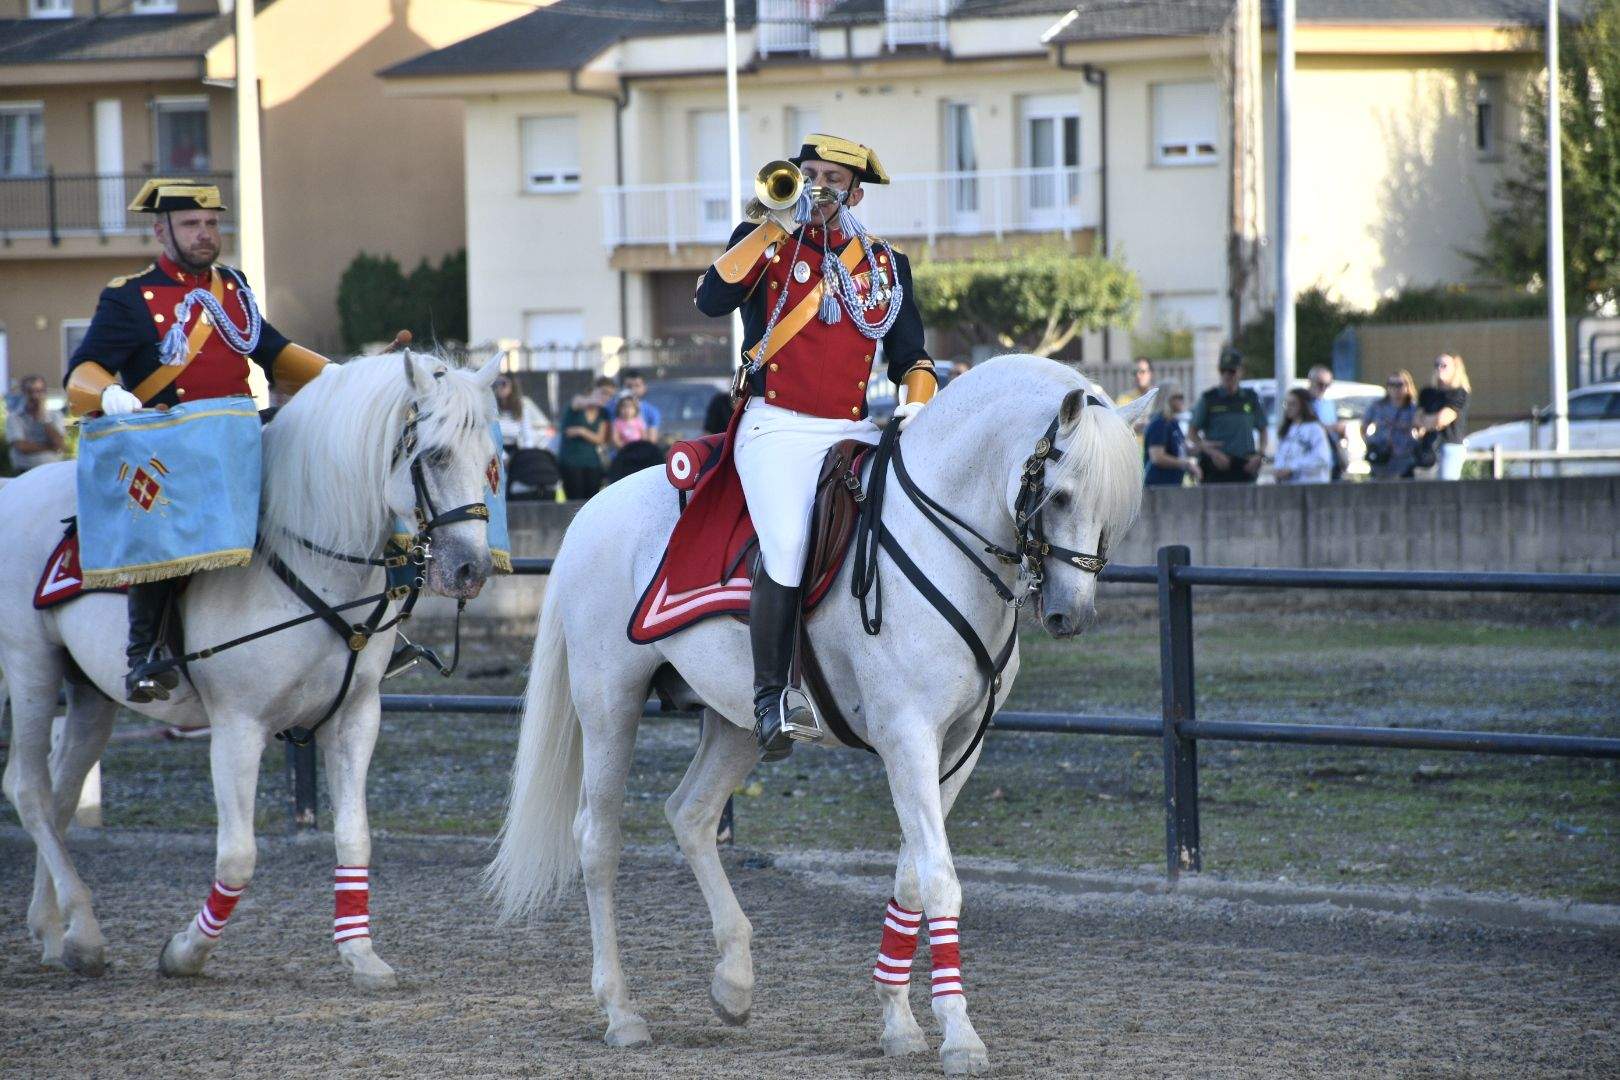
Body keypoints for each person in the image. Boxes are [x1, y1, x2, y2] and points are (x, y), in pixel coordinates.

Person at [695, 132, 934, 759]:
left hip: (852, 427)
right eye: (810, 174)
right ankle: (771, 697)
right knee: (789, 544)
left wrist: (918, 403)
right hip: (775, 424)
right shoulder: (767, 244)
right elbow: (709, 300)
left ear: (855, 193)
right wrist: (769, 227)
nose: (819, 186)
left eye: (833, 178)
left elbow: (912, 355)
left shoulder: (884, 266)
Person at [64, 178, 330, 701]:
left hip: (238, 437)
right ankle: (143, 655)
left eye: (211, 224)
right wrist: (108, 393)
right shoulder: (130, 296)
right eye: (191, 224)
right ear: (162, 230)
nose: (205, 234)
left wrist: (340, 377)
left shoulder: (232, 286)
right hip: (174, 446)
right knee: (161, 528)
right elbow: (83, 369)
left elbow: (272, 352)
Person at [1189, 347, 1266, 484]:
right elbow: (1192, 433)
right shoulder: (1209, 398)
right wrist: (1211, 451)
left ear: (1240, 371)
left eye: (1231, 371)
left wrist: (1260, 455)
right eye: (1223, 370)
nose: (1227, 375)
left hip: (1245, 465)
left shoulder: (1250, 398)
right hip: (1216, 466)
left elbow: (1263, 429)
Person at [1414, 353, 1471, 481]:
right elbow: (1417, 419)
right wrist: (1432, 422)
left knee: (1446, 487)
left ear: (1455, 369)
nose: (1439, 368)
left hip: (1450, 445)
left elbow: (1443, 419)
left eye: (1444, 365)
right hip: (1428, 447)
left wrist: (1427, 422)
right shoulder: (1427, 392)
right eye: (1437, 365)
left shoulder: (1459, 392)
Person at [1362, 369, 1419, 480]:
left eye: (1399, 385)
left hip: (1404, 456)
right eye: (1391, 384)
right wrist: (1369, 442)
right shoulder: (1377, 406)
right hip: (1381, 456)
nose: (1395, 389)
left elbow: (1420, 430)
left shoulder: (1413, 408)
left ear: (1408, 386)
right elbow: (1364, 427)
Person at [5, 374, 67, 472]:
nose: (35, 396)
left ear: (44, 393)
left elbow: (60, 444)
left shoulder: (55, 416)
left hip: (51, 469)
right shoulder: (14, 418)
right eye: (30, 392)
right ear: (23, 393)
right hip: (24, 470)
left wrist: (43, 419)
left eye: (38, 391)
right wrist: (50, 447)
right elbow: (22, 446)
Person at [1273, 387, 1334, 484]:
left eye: (1293, 404)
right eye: (1286, 404)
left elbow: (1322, 458)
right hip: (1288, 486)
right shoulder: (1286, 430)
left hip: (1311, 484)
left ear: (1303, 405)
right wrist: (1279, 469)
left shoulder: (1315, 428)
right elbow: (1280, 455)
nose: (1288, 408)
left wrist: (1293, 468)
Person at [1142, 386, 1198, 487]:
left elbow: (1183, 449)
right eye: (1178, 397)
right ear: (1167, 399)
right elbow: (1157, 457)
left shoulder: (1173, 422)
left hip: (1173, 484)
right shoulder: (1159, 423)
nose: (1182, 400)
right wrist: (1186, 464)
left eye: (1182, 397)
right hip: (1158, 487)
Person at [558, 393, 608, 499]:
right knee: (574, 497)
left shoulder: (602, 413)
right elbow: (577, 401)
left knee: (592, 498)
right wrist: (595, 399)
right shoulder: (576, 408)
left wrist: (581, 431)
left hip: (593, 463)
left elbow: (600, 439)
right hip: (571, 462)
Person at [493, 374, 553, 452]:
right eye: (497, 384)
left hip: (514, 449)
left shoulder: (521, 406)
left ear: (512, 386)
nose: (499, 387)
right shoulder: (492, 407)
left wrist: (526, 454)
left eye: (503, 384)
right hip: (496, 451)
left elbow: (527, 436)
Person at [1307, 364, 1346, 480]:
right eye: (1320, 384)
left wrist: (1341, 432)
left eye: (1327, 385)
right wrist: (1331, 427)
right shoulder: (1304, 403)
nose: (1323, 388)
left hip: (1332, 456)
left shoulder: (1328, 404)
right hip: (1311, 458)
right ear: (1310, 382)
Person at [614, 370, 662, 443]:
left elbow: (651, 441)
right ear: (622, 387)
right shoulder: (613, 408)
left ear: (644, 388)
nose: (633, 389)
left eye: (637, 386)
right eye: (629, 386)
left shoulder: (652, 412)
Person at [1116, 357, 1155, 435]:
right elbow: (1116, 426)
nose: (1138, 375)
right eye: (1135, 372)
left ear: (1151, 374)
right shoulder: (1123, 398)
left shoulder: (1159, 398)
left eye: (1142, 372)